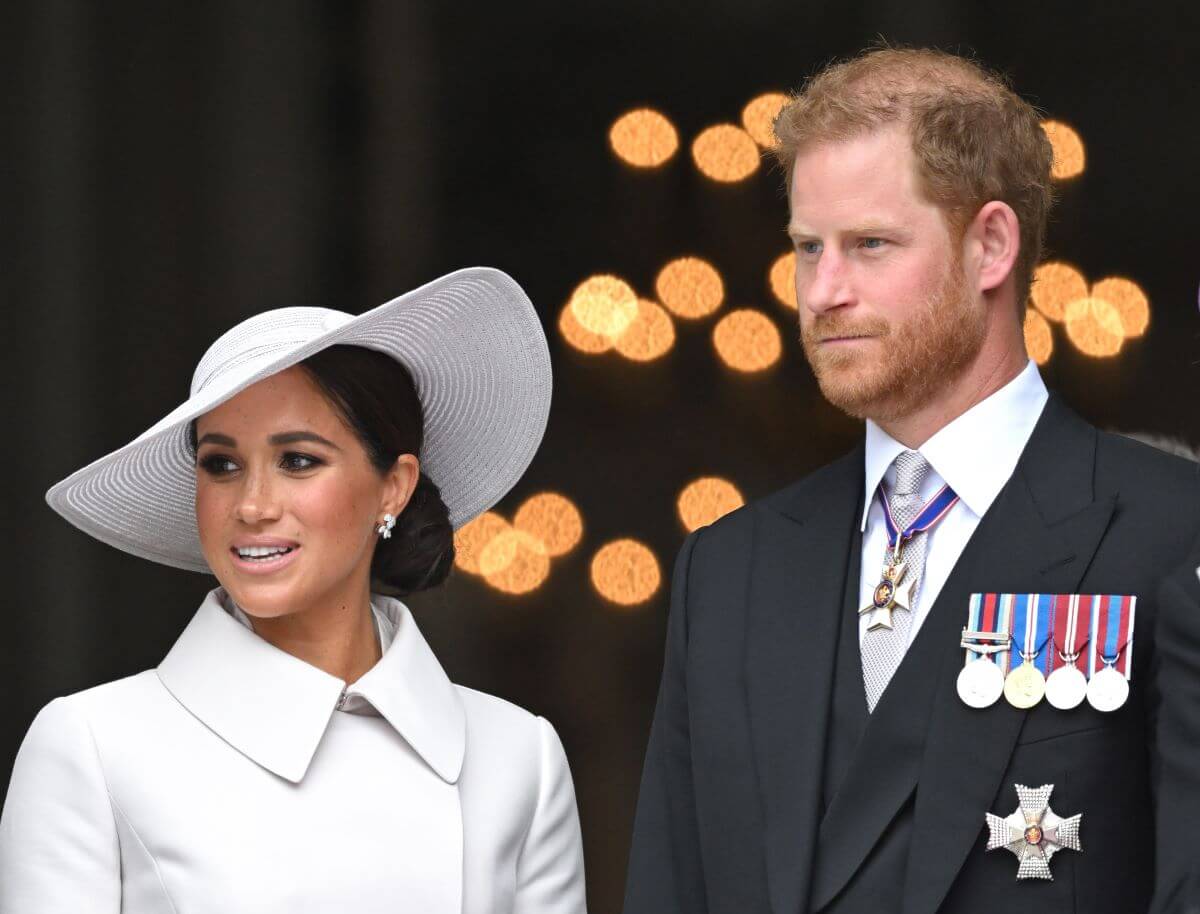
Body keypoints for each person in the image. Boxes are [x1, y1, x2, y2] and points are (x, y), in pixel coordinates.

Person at [622, 46, 1200, 914]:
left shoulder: (1169, 530)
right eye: (807, 248)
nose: (822, 290)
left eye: (870, 245)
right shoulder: (727, 571)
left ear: (991, 245)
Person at [0, 268, 587, 913]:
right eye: (221, 464)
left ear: (394, 485)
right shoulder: (92, 747)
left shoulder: (517, 758)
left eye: (298, 460)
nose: (252, 505)